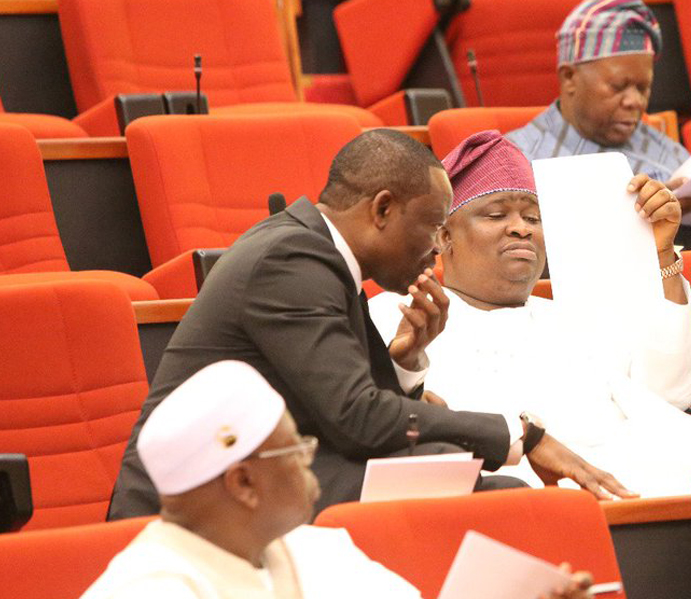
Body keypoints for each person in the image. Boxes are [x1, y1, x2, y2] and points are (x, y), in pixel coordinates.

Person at [109, 130, 627, 520]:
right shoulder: (291, 260)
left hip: (268, 470)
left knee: (457, 470)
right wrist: (521, 435)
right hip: (201, 494)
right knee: (494, 496)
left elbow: (355, 410)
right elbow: (358, 420)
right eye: (432, 226)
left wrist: (405, 362)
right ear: (383, 209)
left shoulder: (319, 255)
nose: (435, 248)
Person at [368, 131, 691, 497]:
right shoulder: (399, 313)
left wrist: (662, 255)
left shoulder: (571, 316)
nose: (521, 228)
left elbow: (673, 391)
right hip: (516, 486)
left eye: (533, 217)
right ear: (443, 236)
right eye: (496, 215)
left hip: (640, 469)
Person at [84, 361, 595, 599]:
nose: (313, 466)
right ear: (242, 484)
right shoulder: (146, 589)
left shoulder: (317, 548)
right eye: (296, 450)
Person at [505, 0, 691, 248]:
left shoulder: (669, 154)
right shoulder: (518, 161)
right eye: (618, 86)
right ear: (569, 78)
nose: (635, 102)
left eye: (643, 88)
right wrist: (636, 221)